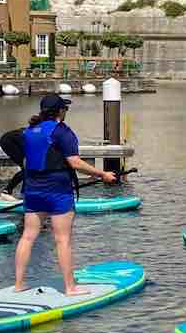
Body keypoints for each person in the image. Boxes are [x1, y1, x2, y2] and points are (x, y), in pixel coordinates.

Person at [9, 93, 118, 296]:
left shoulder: (29, 131)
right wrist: (102, 174)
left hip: (32, 190)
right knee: (63, 239)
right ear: (60, 111)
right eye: (65, 108)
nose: (66, 112)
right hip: (58, 191)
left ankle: (18, 284)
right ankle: (70, 287)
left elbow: (21, 154)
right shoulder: (62, 131)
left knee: (27, 236)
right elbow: (75, 162)